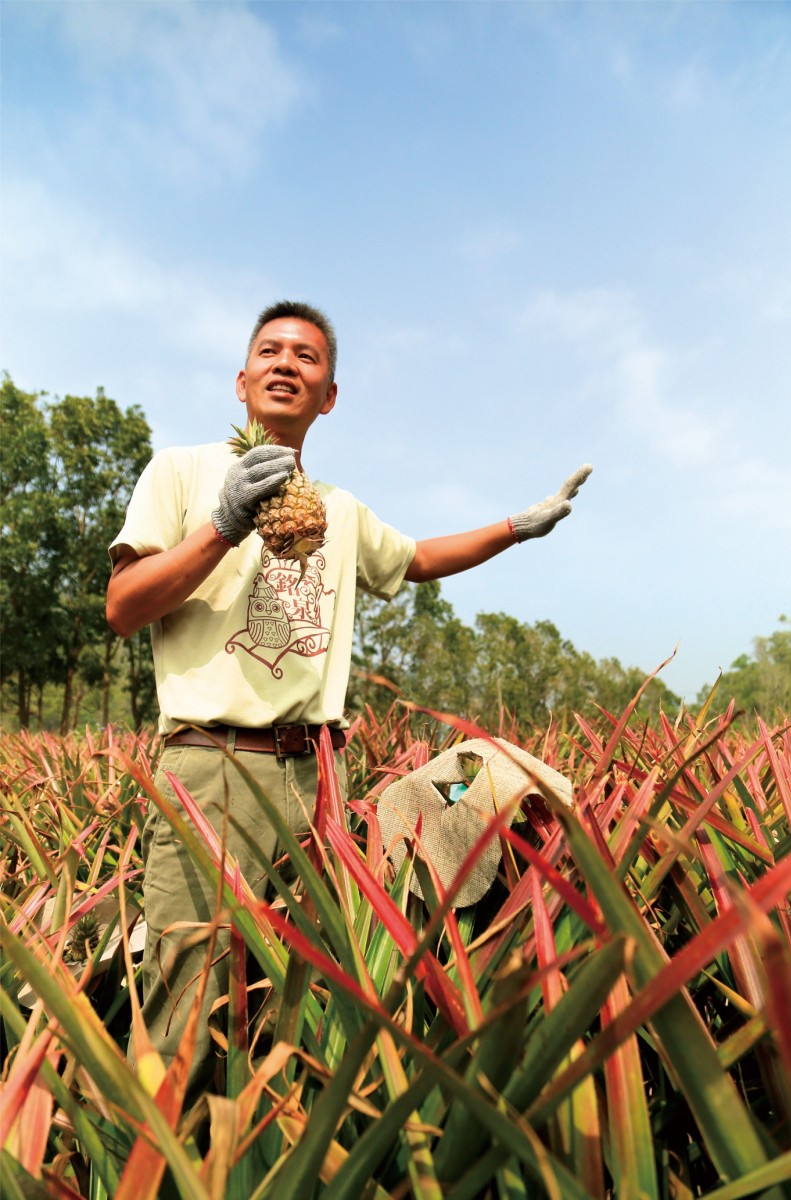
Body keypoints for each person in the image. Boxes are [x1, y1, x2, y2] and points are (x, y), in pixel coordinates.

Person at [107, 299, 591, 1093]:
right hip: (213, 770)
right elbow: (124, 606)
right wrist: (225, 524)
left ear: (329, 395)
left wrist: (515, 526)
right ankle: (154, 1162)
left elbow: (420, 558)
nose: (286, 363)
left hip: (319, 777)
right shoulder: (183, 472)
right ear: (241, 380)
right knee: (184, 1002)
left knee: (305, 984)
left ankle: (276, 1138)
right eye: (270, 351)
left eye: (307, 356)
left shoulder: (337, 508)